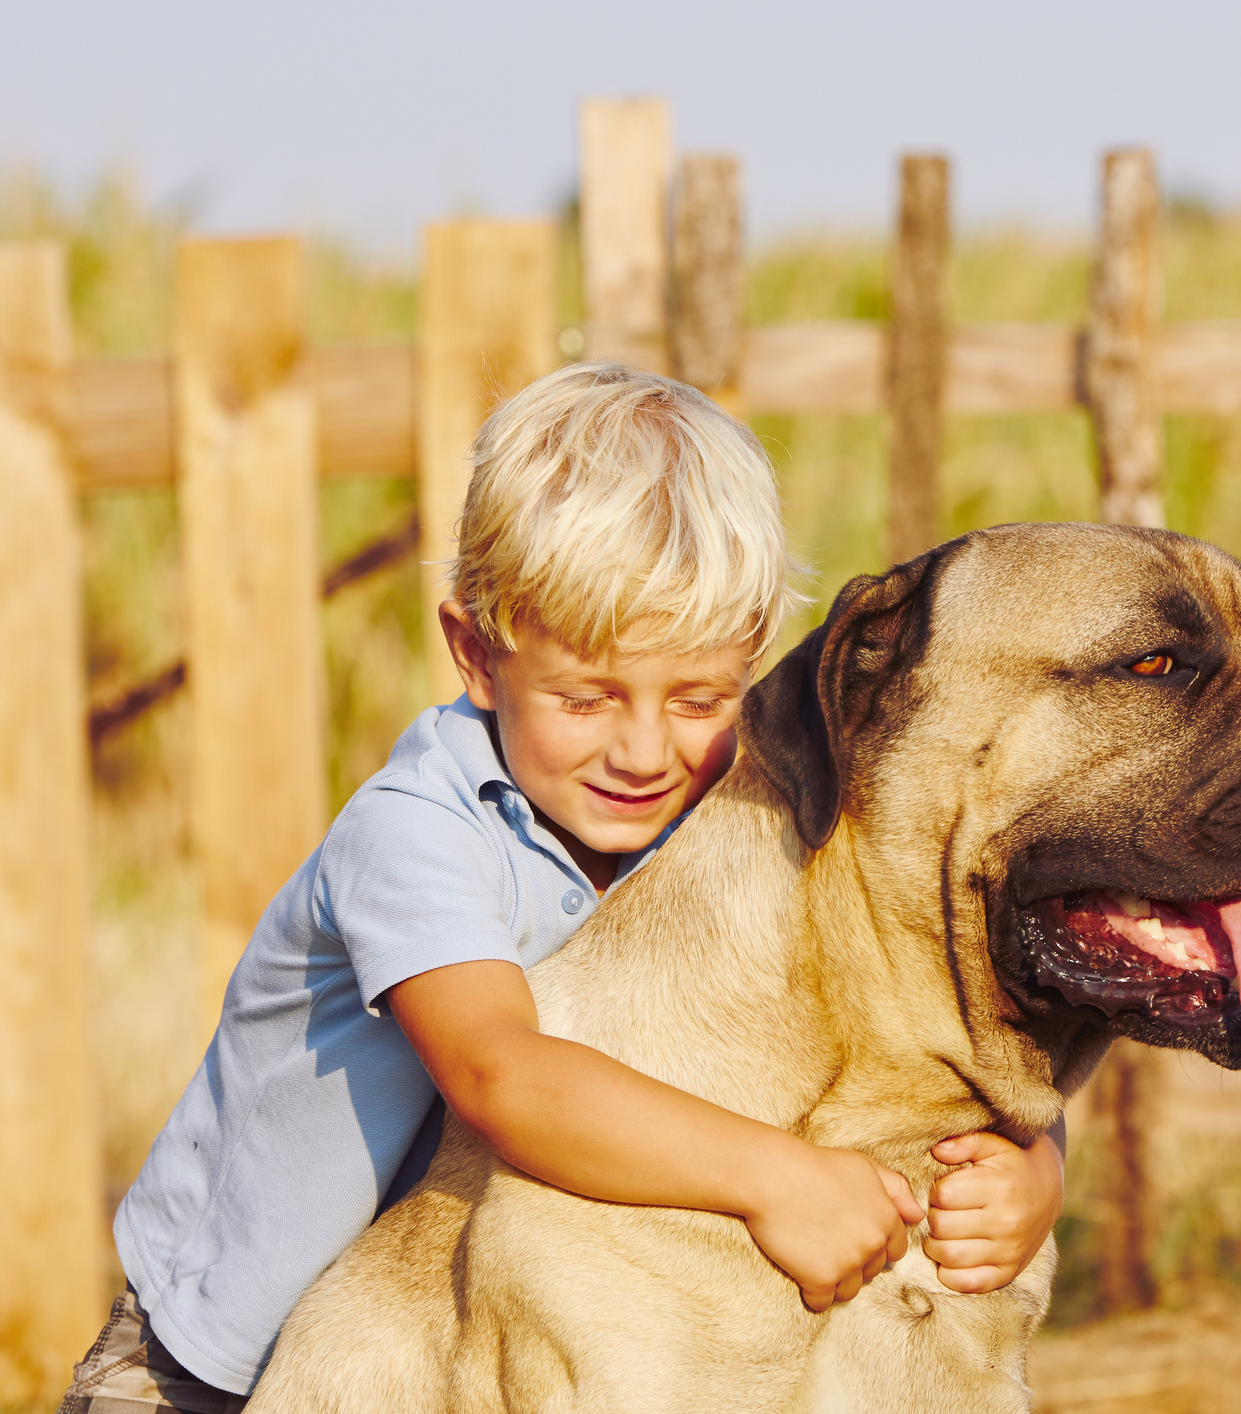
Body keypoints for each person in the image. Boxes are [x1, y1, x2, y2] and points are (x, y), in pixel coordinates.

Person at [59, 364, 1066, 1414]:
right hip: (211, 1361)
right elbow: (501, 1074)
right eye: (586, 697)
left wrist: (1034, 1168)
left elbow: (920, 1001)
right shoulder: (417, 831)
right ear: (477, 656)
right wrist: (778, 1178)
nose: (643, 750)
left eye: (698, 696)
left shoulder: (723, 820)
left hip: (435, 1347)